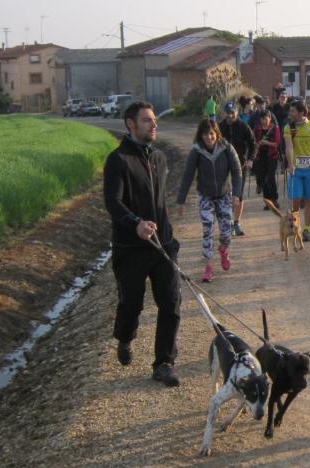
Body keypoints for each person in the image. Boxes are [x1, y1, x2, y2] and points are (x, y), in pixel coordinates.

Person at [102, 101, 181, 387]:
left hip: (162, 245)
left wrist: (169, 238)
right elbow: (113, 201)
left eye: (154, 119)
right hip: (130, 248)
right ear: (131, 124)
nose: (154, 124)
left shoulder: (159, 158)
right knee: (132, 304)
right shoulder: (118, 160)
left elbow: (161, 202)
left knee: (171, 304)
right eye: (147, 120)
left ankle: (164, 363)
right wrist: (136, 223)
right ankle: (125, 338)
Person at [176, 119, 243, 283]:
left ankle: (223, 249)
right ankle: (209, 267)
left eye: (212, 133)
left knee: (227, 231)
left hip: (224, 195)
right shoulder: (197, 151)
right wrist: (181, 200)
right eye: (205, 134)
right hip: (205, 195)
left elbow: (237, 171)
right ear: (201, 135)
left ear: (217, 134)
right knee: (207, 230)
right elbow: (187, 175)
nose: (209, 137)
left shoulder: (226, 148)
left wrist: (237, 195)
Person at [284, 100, 310, 242]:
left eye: (293, 111)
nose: (290, 113)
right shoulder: (289, 127)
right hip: (296, 169)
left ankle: (306, 229)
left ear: (301, 112)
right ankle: (296, 224)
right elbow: (289, 147)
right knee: (296, 198)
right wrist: (290, 164)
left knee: (309, 201)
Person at [218, 102, 257, 236]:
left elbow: (253, 144)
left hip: (241, 164)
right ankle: (227, 222)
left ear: (236, 112)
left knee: (238, 194)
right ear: (224, 113)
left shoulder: (243, 126)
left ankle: (236, 223)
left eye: (232, 113)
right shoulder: (220, 126)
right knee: (225, 194)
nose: (229, 115)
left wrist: (250, 159)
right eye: (227, 112)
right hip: (223, 165)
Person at [253, 110, 282, 206]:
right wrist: (256, 145)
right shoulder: (257, 129)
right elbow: (253, 141)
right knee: (262, 178)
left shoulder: (275, 128)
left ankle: (274, 199)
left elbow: (277, 143)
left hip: (272, 156)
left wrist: (265, 143)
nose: (264, 121)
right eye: (262, 119)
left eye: (266, 119)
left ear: (270, 118)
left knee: (270, 177)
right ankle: (267, 201)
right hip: (260, 156)